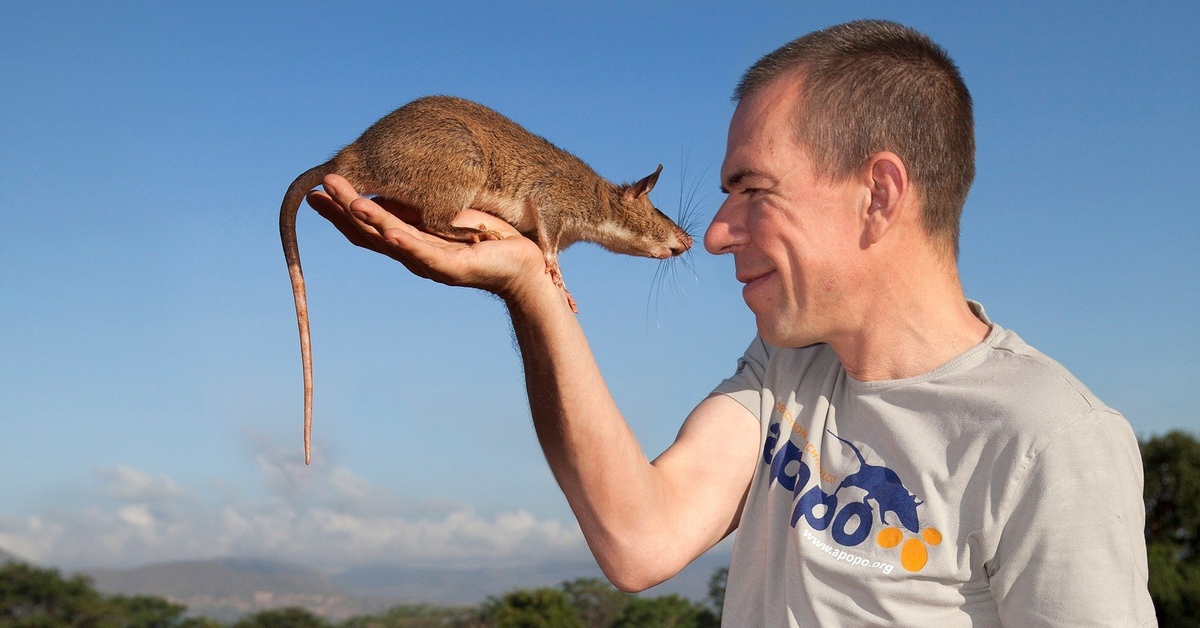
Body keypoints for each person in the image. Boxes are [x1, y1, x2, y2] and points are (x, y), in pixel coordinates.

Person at [305, 19, 1156, 627]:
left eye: (753, 190)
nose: (713, 234)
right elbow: (637, 539)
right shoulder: (786, 372)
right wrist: (531, 286)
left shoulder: (1051, 443)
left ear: (880, 196)